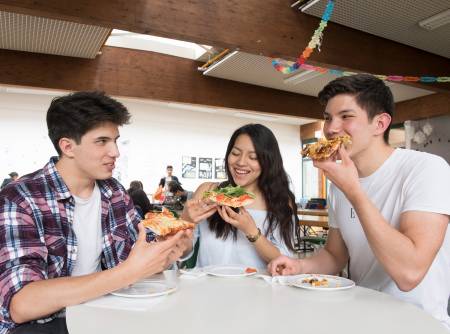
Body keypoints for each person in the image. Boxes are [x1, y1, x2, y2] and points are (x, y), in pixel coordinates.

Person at [0, 91, 192, 334]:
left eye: (115, 140)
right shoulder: (20, 198)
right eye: (102, 141)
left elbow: (144, 257)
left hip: (107, 313)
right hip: (47, 325)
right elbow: (23, 304)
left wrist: (176, 242)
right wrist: (128, 272)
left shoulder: (114, 192)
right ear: (68, 146)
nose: (115, 152)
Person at [268, 74, 450, 328]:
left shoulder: (426, 169)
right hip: (360, 319)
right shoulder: (339, 185)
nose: (331, 128)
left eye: (346, 116)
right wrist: (299, 265)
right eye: (329, 117)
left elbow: (410, 273)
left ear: (380, 123)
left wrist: (355, 192)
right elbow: (335, 254)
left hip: (418, 324)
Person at [181, 124, 299, 269]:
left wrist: (251, 232)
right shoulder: (208, 191)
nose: (241, 162)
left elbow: (285, 264)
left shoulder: (280, 201)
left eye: (253, 157)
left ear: (268, 162)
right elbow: (182, 254)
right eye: (236, 153)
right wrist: (184, 223)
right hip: (208, 287)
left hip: (258, 289)